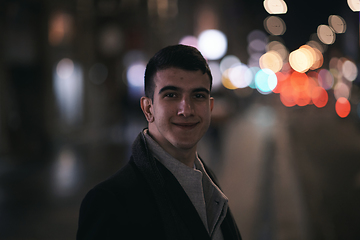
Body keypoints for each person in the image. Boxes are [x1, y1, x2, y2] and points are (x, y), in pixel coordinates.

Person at [77, 44, 242, 240]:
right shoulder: (109, 202)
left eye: (198, 96)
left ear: (210, 106)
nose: (186, 110)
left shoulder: (208, 181)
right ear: (148, 108)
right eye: (171, 95)